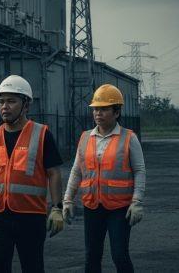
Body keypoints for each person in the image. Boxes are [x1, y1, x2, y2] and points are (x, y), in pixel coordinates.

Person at [0, 75, 65, 273]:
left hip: (30, 217)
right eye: (1, 101)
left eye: (11, 101)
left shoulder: (41, 134)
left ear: (26, 105)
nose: (5, 106)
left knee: (33, 268)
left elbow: (54, 173)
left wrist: (57, 208)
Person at [63, 84, 146, 273]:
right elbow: (77, 171)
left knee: (119, 255)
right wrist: (67, 200)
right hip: (92, 206)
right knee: (92, 256)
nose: (98, 113)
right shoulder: (85, 138)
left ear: (116, 112)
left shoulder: (128, 138)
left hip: (120, 208)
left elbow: (140, 170)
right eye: (95, 109)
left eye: (104, 109)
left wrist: (137, 201)